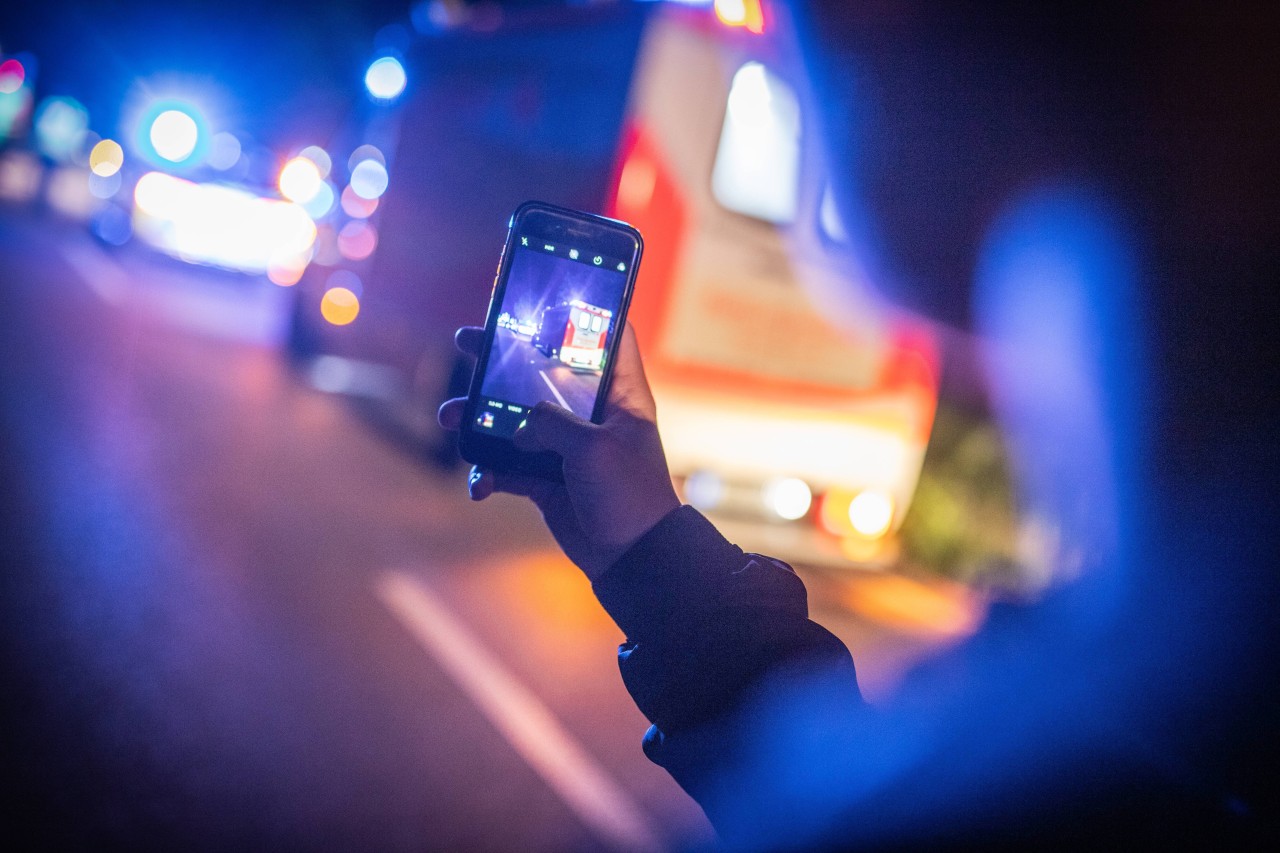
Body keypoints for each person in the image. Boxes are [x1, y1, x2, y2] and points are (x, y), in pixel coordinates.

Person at [441, 2, 1277, 847]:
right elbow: (813, 743)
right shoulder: (1181, 685)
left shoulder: (988, 781)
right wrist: (647, 550)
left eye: (804, 80)